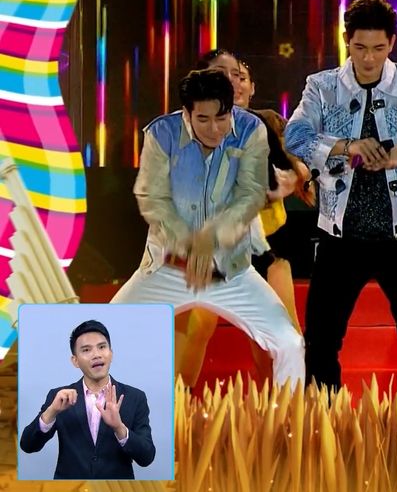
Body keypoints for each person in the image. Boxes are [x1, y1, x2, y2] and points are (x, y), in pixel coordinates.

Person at [285, 0, 397, 395]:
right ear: (346, 41)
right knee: (322, 340)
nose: (369, 58)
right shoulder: (322, 86)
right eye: (360, 47)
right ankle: (324, 422)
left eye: (379, 48)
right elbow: (295, 136)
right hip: (341, 234)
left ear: (392, 43)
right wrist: (345, 145)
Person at [110, 69, 305, 387]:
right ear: (186, 113)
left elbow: (249, 196)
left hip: (232, 272)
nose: (214, 129)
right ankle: (102, 414)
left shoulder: (251, 129)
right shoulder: (161, 134)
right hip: (166, 269)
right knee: (98, 335)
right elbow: (152, 199)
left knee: (290, 343)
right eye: (203, 119)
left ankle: (289, 416)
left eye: (221, 118)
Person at [173, 51, 312, 386]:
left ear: (251, 87)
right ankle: (175, 401)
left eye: (240, 76)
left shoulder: (266, 123)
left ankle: (283, 409)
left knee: (280, 333)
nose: (233, 82)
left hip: (267, 245)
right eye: (223, 75)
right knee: (197, 326)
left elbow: (298, 168)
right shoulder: (187, 128)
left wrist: (294, 177)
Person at [20, 320, 156, 479]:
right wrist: (51, 412)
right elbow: (28, 445)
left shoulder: (135, 397)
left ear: (111, 353)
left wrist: (119, 428)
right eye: (86, 350)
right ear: (75, 361)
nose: (96, 354)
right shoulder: (59, 397)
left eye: (102, 347)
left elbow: (147, 457)